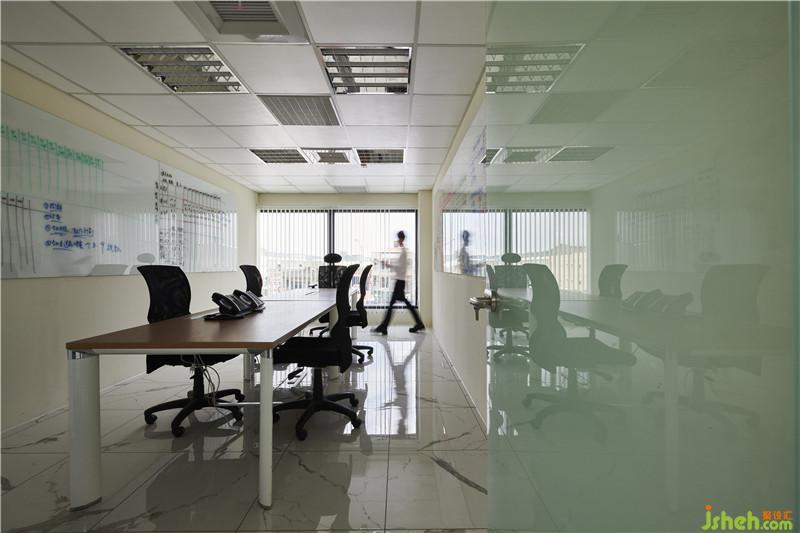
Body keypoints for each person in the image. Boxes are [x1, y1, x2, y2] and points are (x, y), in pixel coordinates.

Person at [373, 230, 425, 334]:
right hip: (400, 281)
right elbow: (400, 268)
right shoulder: (403, 251)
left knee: (393, 304)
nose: (398, 240)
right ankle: (419, 323)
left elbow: (400, 268)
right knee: (400, 304)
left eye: (398, 238)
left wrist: (388, 265)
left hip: (400, 282)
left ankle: (384, 326)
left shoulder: (404, 252)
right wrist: (389, 265)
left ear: (401, 239)